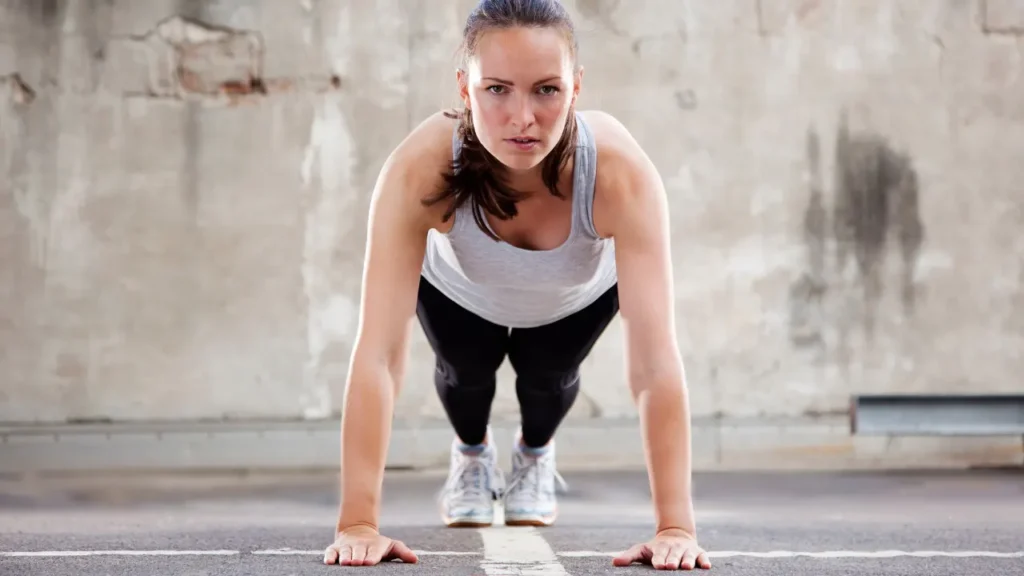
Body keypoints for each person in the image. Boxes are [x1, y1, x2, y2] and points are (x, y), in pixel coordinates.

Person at [323, 0, 711, 570]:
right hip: (461, 289)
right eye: (497, 89)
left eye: (546, 90)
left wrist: (676, 528)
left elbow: (654, 364)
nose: (522, 117)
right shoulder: (420, 167)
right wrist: (357, 524)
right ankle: (473, 457)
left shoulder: (620, 173)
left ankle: (533, 456)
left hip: (572, 295)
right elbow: (379, 353)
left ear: (576, 88)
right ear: (465, 88)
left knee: (547, 381)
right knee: (465, 376)